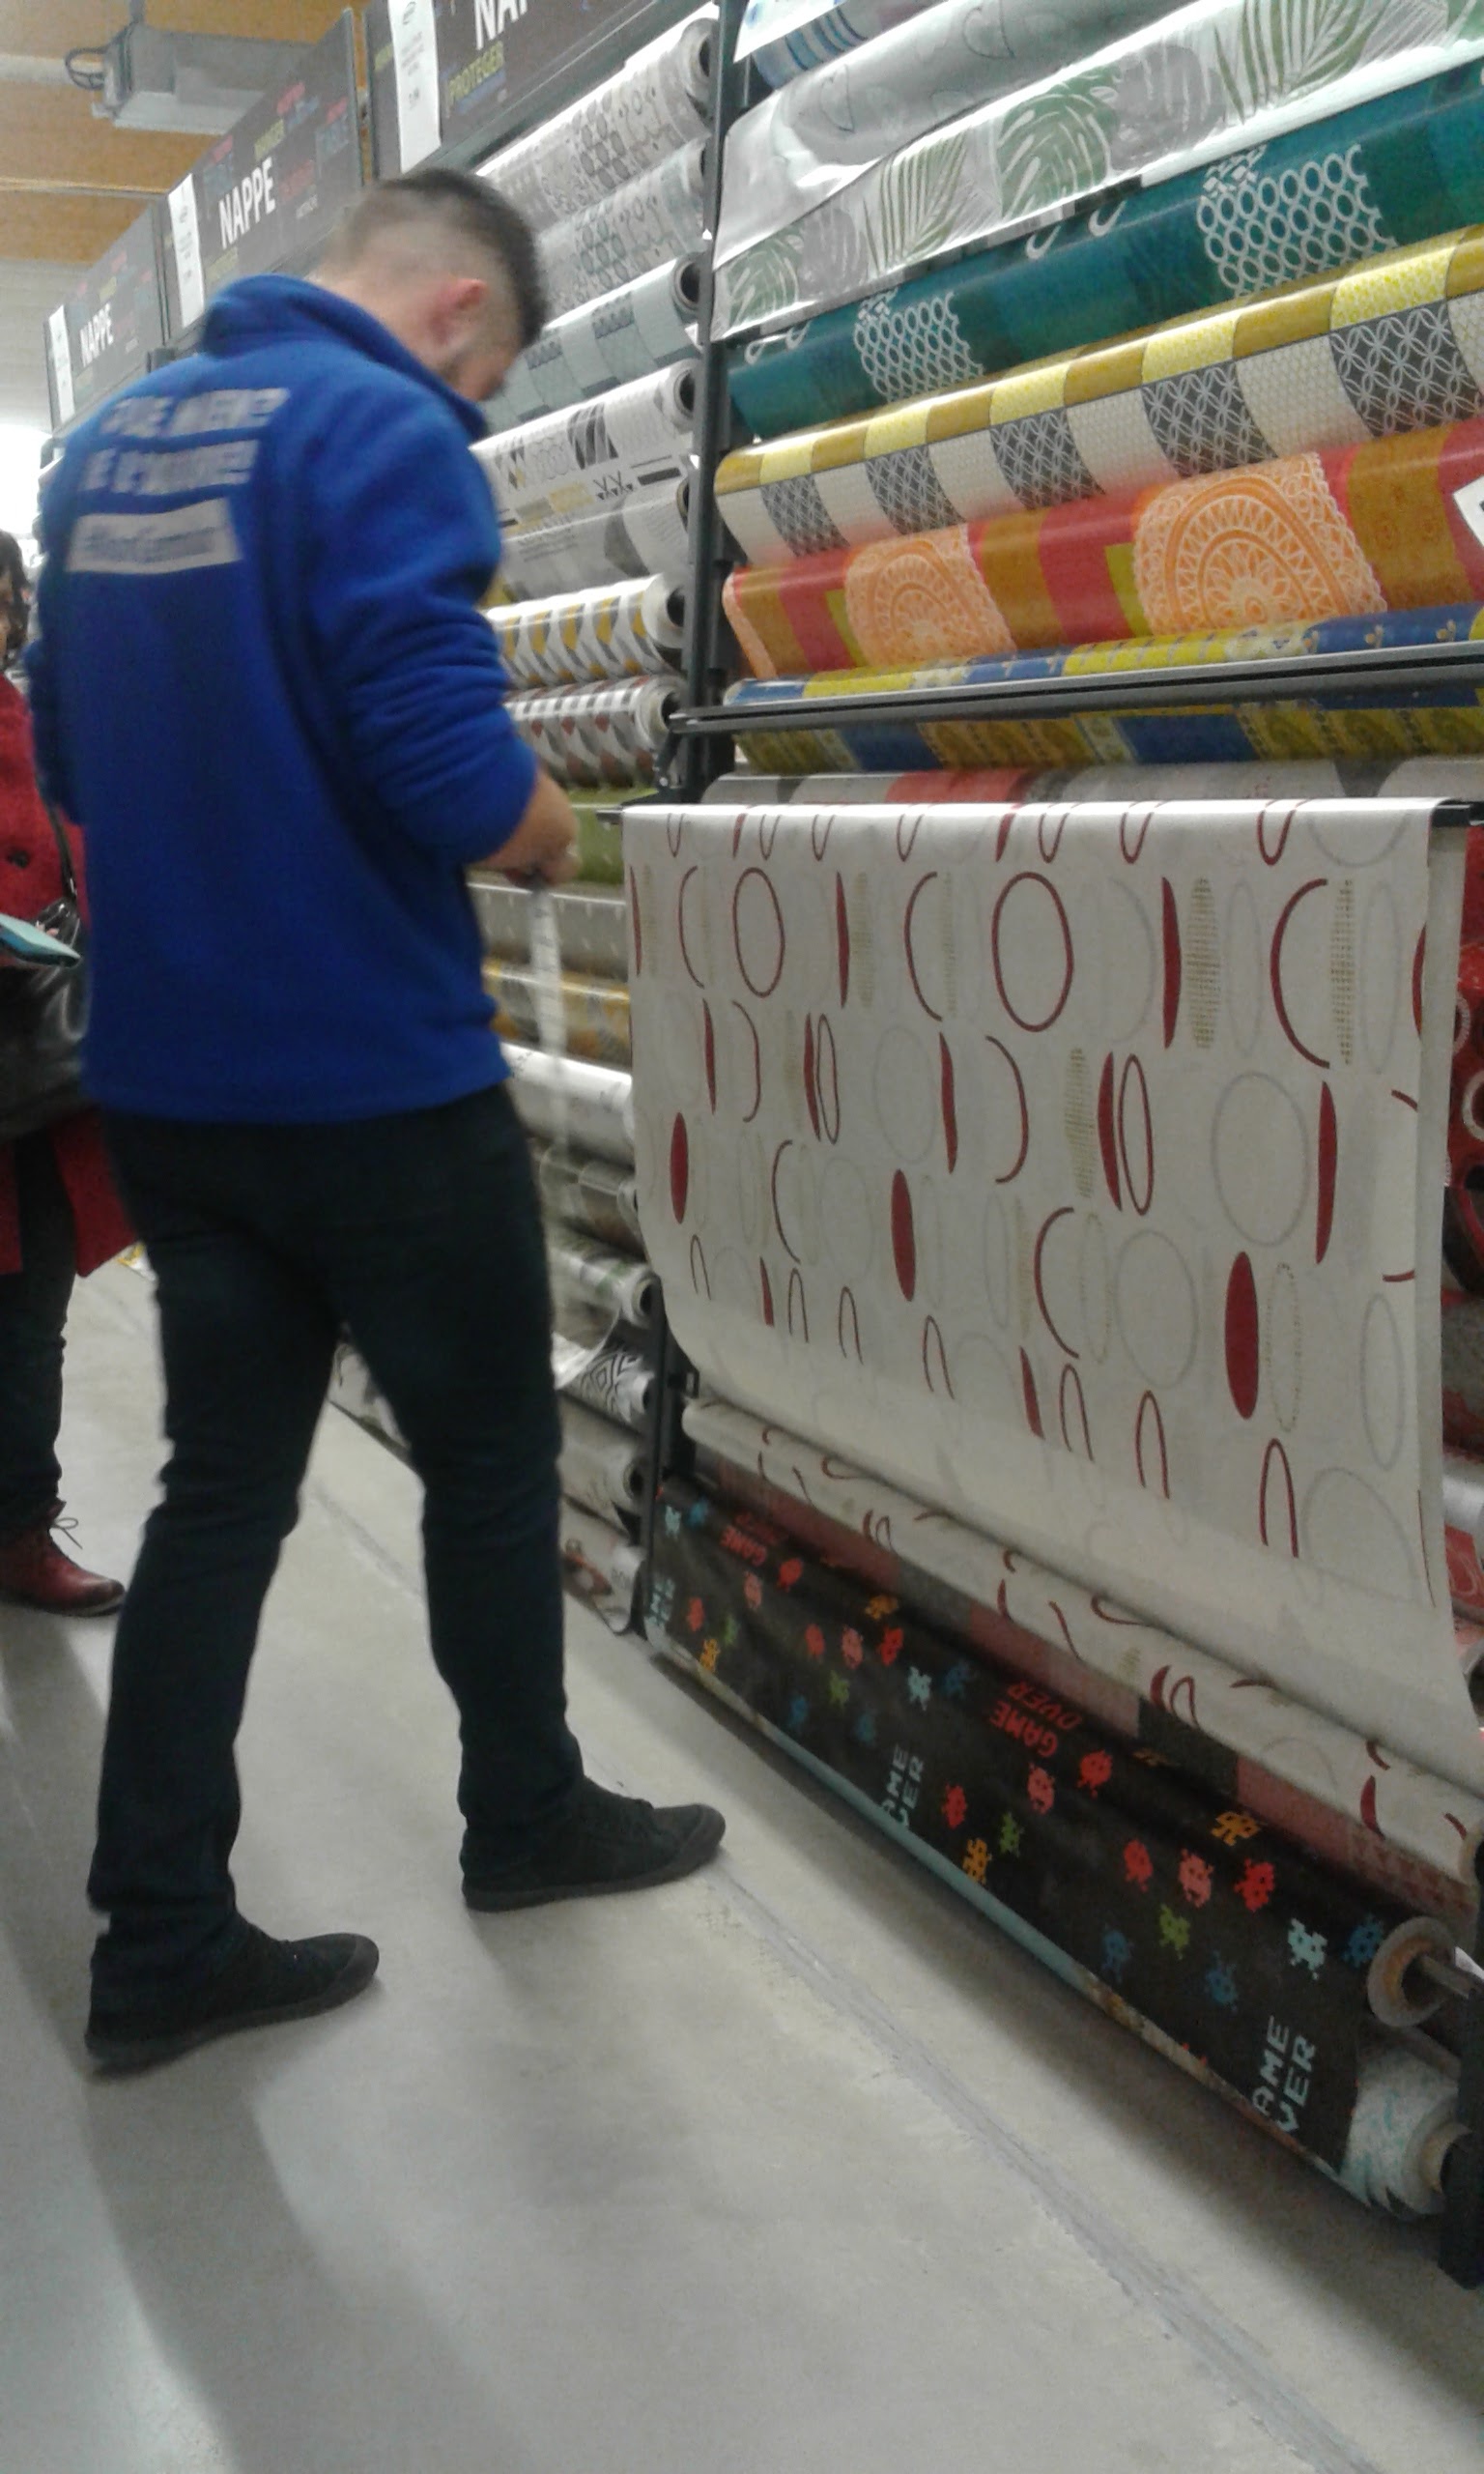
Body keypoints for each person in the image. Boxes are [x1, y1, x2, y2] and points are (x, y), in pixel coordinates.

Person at [29, 170, 725, 2074]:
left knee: (220, 1494)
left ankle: (159, 1939)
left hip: (172, 1084)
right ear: (455, 314)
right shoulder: (379, 429)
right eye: (484, 383)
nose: (469, 414)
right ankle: (528, 1817)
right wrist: (553, 829)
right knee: (491, 1459)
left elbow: (70, 758)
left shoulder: (106, 449)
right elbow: (447, 772)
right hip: (372, 1084)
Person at [0, 531, 130, 1614]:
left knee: (27, 1321)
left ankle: (18, 1529)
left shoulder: (39, 723)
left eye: (2, 595)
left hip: (32, 1070)